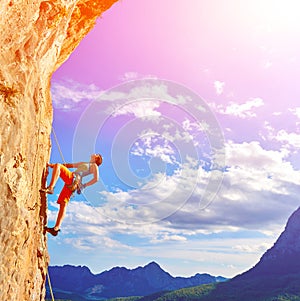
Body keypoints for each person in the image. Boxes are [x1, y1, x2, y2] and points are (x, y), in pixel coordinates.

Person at [41, 153, 102, 236]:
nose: (94, 154)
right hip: (73, 183)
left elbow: (96, 179)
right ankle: (56, 228)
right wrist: (51, 165)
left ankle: (51, 187)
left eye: (97, 154)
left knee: (58, 166)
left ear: (96, 159)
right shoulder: (84, 164)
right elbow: (69, 165)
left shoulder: (94, 165)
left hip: (73, 179)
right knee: (63, 204)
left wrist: (84, 185)